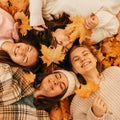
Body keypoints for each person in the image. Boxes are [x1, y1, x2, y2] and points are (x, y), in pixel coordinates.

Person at [68, 45, 120, 119]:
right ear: (74, 70)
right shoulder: (77, 103)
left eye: (85, 54)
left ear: (95, 58)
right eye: (76, 59)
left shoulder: (114, 72)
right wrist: (96, 116)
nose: (82, 59)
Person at [29, 0, 120, 43]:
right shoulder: (87, 37)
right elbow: (113, 27)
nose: (67, 42)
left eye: (60, 42)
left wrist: (35, 17)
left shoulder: (51, 14)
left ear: (52, 34)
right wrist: (99, 20)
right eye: (67, 49)